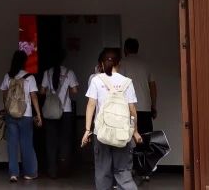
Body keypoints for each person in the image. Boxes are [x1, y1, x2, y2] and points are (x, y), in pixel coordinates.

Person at [81, 47, 142, 190]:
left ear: (101, 64)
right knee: (123, 171)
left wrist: (87, 130)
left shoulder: (96, 80)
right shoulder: (127, 82)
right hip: (122, 133)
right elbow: (132, 110)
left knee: (102, 172)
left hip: (101, 133)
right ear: (118, 63)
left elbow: (91, 105)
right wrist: (135, 131)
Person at [0, 49, 41, 182]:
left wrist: (7, 109)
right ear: (24, 62)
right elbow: (34, 96)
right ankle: (29, 173)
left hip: (11, 114)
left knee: (12, 144)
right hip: (26, 114)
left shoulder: (8, 76)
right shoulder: (29, 77)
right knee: (26, 144)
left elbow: (4, 94)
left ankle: (13, 173)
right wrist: (38, 114)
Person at [39, 48, 79, 179]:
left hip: (51, 112)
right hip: (65, 111)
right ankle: (64, 169)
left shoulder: (47, 73)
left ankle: (52, 170)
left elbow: (42, 91)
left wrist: (50, 91)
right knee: (65, 141)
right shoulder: (69, 72)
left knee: (51, 141)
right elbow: (75, 91)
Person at [122, 38, 157, 136]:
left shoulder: (121, 64)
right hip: (145, 108)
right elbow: (153, 87)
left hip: (128, 108)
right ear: (137, 48)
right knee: (145, 138)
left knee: (128, 138)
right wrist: (153, 106)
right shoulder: (146, 64)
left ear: (125, 49)